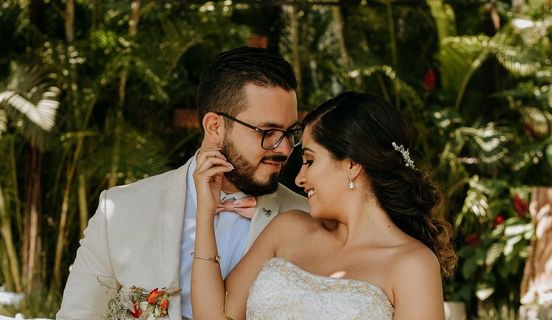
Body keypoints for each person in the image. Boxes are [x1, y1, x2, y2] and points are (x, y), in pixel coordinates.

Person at [56, 47, 308, 320]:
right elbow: (78, 315)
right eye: (268, 132)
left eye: (290, 133)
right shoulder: (121, 210)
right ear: (215, 127)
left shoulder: (308, 217)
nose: (283, 149)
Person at [192, 92, 456, 320]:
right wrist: (205, 211)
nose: (299, 178)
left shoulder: (412, 265)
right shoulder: (287, 229)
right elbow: (216, 316)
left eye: (309, 161)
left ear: (351, 164)